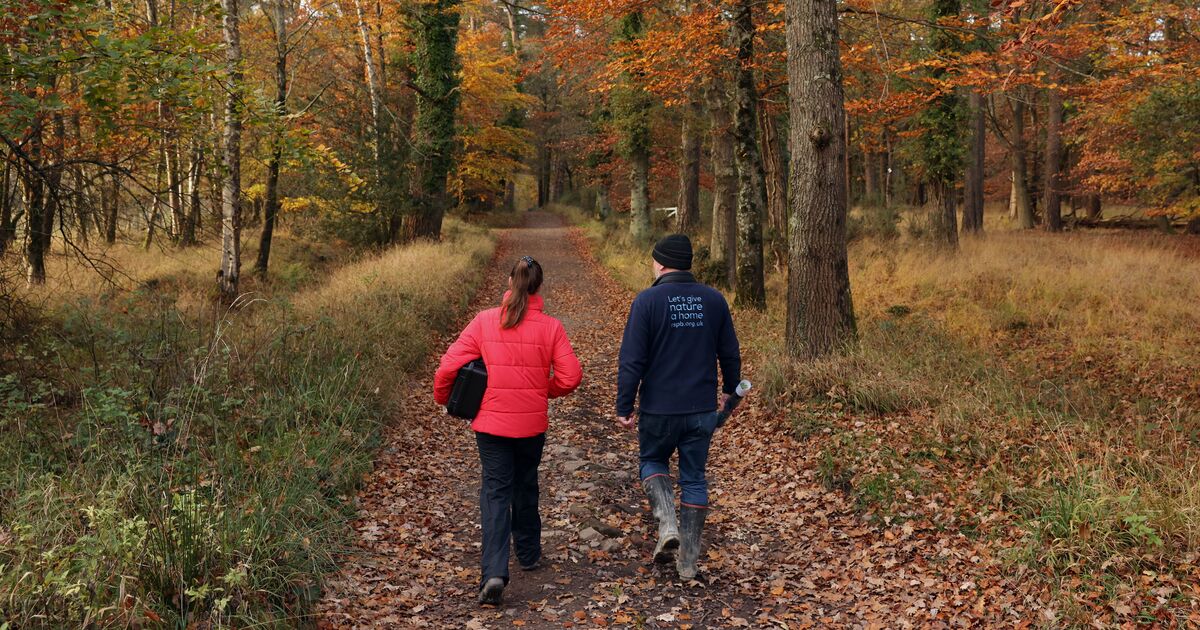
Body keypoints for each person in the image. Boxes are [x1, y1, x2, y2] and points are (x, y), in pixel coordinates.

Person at [434, 256, 583, 605]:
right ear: (539, 287)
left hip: (492, 425)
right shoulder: (551, 328)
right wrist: (543, 390)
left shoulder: (485, 322)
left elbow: (447, 367)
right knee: (526, 482)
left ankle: (495, 572)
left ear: (509, 283)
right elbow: (571, 377)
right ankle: (529, 554)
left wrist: (446, 400)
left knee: (496, 492)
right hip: (531, 425)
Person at [615, 234, 742, 580]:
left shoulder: (647, 302)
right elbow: (729, 352)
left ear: (660, 263)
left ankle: (667, 522)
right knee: (694, 478)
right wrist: (730, 391)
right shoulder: (714, 300)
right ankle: (688, 561)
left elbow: (632, 361)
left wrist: (624, 404)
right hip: (701, 409)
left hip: (658, 408)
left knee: (653, 460)